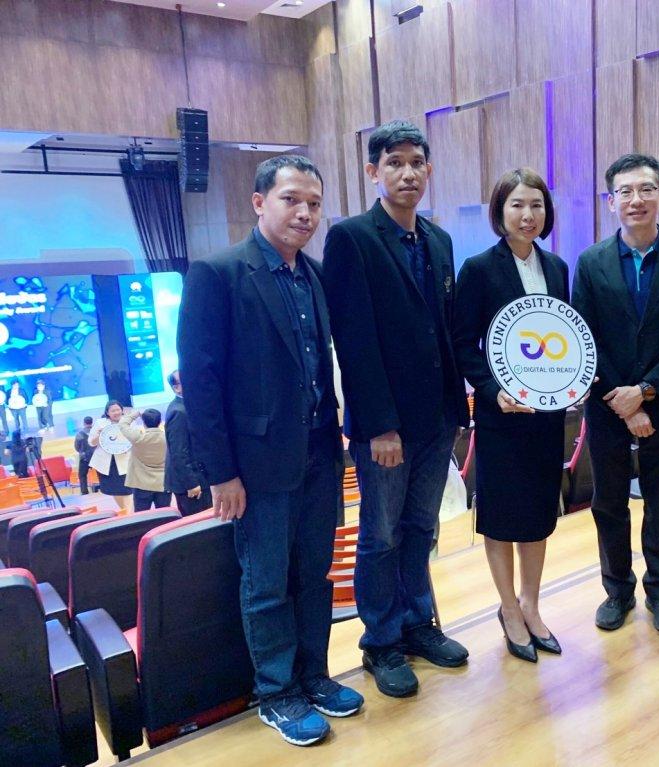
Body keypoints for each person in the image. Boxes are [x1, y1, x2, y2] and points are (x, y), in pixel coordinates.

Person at [178, 154, 362, 747]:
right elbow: (201, 382)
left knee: (314, 573)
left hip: (319, 454)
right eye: (291, 200)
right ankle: (276, 693)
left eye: (314, 203)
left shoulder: (315, 275)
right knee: (266, 583)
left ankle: (314, 676)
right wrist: (221, 473)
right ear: (259, 202)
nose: (304, 213)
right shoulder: (219, 273)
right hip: (256, 467)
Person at [322, 120, 470, 698]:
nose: (408, 173)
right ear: (373, 171)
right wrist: (380, 425)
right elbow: (353, 341)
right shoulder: (352, 238)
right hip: (387, 426)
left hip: (438, 416)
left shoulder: (438, 240)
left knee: (420, 527)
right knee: (380, 535)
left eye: (416, 163)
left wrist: (459, 405)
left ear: (428, 169)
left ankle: (417, 623)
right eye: (394, 163)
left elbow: (445, 329)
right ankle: (380, 641)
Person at [571, 153, 659, 635]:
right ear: (611, 201)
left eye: (646, 189)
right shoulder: (591, 262)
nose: (636, 199)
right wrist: (623, 399)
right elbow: (583, 335)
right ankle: (617, 591)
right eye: (625, 191)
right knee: (609, 503)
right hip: (607, 405)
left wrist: (647, 391)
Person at [452, 168, 570, 663]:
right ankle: (508, 608)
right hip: (501, 414)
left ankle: (532, 604)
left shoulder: (557, 268)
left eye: (536, 205)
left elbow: (564, 338)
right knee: (501, 516)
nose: (528, 215)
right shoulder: (479, 269)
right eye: (517, 204)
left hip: (545, 416)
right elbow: (463, 343)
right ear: (500, 211)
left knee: (538, 513)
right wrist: (493, 390)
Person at [163, 370, 210, 515]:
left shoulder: (186, 405)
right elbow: (178, 452)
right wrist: (191, 483)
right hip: (191, 483)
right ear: (176, 388)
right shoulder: (179, 411)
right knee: (199, 523)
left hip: (198, 477)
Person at [119, 408, 172, 511]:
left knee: (141, 516)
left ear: (143, 423)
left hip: (141, 484)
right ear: (160, 422)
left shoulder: (137, 437)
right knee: (164, 514)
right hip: (163, 483)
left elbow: (122, 424)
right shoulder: (167, 437)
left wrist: (136, 414)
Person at [88, 400, 133, 511]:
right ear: (107, 413)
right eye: (113, 411)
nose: (116, 412)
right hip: (107, 464)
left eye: (118, 409)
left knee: (128, 490)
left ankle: (129, 514)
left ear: (122, 410)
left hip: (125, 462)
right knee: (115, 490)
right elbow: (91, 442)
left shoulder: (128, 422)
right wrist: (100, 435)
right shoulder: (100, 423)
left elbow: (135, 439)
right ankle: (125, 511)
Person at [74, 416, 95, 493]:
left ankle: (84, 492)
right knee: (101, 473)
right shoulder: (96, 432)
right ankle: (104, 489)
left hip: (85, 458)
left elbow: (77, 447)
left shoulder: (79, 434)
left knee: (82, 475)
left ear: (84, 423)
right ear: (92, 422)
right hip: (96, 456)